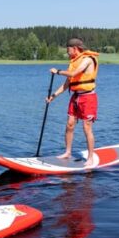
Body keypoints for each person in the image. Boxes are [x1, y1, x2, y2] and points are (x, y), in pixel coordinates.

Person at [45, 37, 100, 168]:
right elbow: (66, 84)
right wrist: (53, 96)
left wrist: (57, 71)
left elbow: (74, 73)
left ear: (74, 48)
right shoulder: (73, 62)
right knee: (69, 125)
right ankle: (68, 152)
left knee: (87, 128)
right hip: (75, 97)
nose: (67, 53)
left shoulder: (87, 60)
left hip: (88, 98)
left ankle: (90, 158)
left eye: (68, 50)